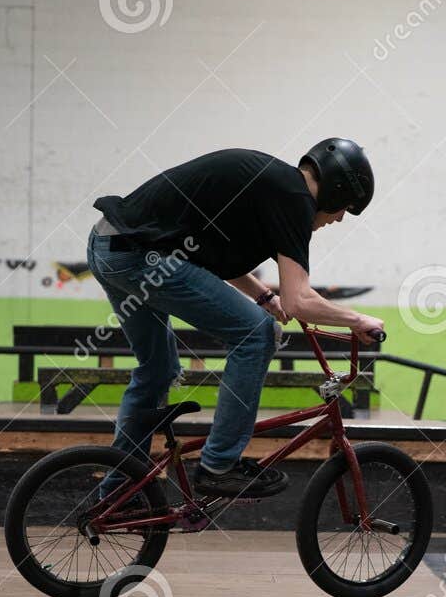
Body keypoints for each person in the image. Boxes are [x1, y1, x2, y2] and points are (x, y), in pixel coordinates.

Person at [88, 138, 384, 498]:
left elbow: (208, 257)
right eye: (344, 210)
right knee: (256, 334)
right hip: (139, 257)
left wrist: (262, 295)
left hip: (110, 247)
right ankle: (219, 466)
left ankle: (118, 494)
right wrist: (357, 320)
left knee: (157, 371)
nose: (338, 219)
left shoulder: (275, 186)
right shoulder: (294, 199)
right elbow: (300, 299)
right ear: (336, 192)